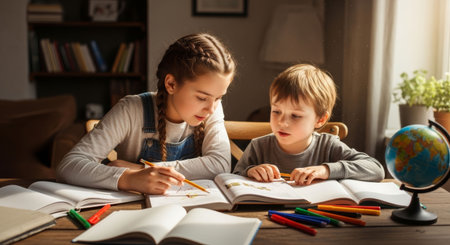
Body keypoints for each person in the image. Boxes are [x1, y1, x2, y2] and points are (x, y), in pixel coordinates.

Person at [57, 33, 236, 194]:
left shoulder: (211, 109)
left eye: (219, 98)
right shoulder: (131, 110)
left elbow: (220, 165)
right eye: (201, 98)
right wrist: (127, 178)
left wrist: (138, 169)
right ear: (171, 84)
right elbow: (69, 166)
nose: (211, 108)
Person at [233, 64, 385, 185]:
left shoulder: (328, 145)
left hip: (317, 216)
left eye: (295, 116)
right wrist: (250, 171)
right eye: (276, 111)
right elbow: (232, 179)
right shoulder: (258, 147)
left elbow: (376, 169)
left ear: (320, 120)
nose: (282, 122)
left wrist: (326, 170)